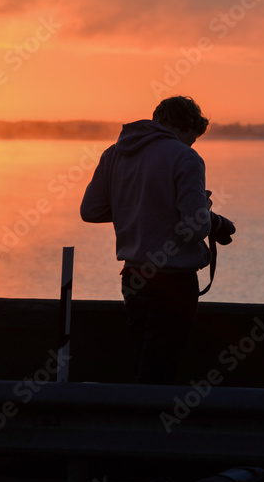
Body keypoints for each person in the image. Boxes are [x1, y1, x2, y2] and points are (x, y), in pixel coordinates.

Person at [81, 96, 234, 385]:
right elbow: (192, 229)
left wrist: (138, 208)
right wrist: (205, 209)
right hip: (173, 280)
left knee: (142, 356)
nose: (191, 145)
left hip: (133, 276)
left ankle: (134, 421)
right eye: (192, 138)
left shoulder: (113, 154)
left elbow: (91, 210)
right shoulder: (184, 157)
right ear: (185, 126)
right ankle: (149, 423)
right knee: (161, 366)